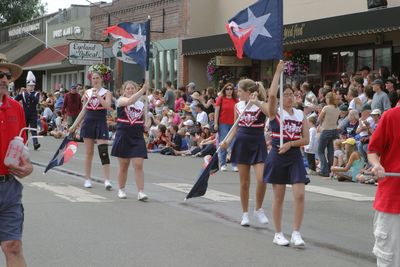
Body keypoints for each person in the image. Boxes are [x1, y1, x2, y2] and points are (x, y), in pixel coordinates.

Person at [263, 61, 309, 247]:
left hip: (294, 155)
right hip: (277, 155)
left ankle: (296, 232)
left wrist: (291, 144)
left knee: (299, 195)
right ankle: (278, 233)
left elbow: (306, 139)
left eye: (292, 94)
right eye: (287, 95)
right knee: (279, 196)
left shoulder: (300, 114)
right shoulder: (275, 113)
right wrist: (277, 72)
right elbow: (272, 94)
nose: (290, 97)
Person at [220, 78, 269, 227]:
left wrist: (257, 103)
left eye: (239, 90)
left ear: (248, 92)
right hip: (242, 143)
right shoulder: (238, 106)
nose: (237, 93)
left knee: (262, 179)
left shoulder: (261, 104)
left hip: (258, 142)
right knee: (244, 183)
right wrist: (227, 141)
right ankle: (245, 214)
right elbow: (235, 126)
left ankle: (258, 209)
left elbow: (270, 113)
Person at [0, 53, 33, 267]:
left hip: (9, 187)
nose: (4, 79)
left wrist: (27, 166)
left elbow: (22, 148)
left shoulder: (16, 108)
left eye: (7, 75)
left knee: (13, 246)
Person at [367, 105, 400, 267]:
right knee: (390, 260)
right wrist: (377, 165)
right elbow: (373, 150)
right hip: (392, 202)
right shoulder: (391, 116)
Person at [70, 67, 112, 190]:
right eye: (93, 78)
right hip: (88, 121)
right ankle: (87, 179)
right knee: (89, 153)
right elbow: (83, 111)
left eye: (97, 78)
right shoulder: (87, 92)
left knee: (103, 151)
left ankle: (107, 180)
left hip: (101, 121)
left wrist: (98, 96)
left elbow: (108, 106)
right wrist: (74, 125)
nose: (95, 80)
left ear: (101, 79)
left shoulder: (106, 92)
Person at [111, 81, 149, 200]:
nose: (130, 90)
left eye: (133, 88)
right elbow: (130, 101)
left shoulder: (142, 104)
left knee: (138, 164)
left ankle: (141, 192)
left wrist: (147, 124)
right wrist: (143, 90)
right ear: (124, 90)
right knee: (124, 165)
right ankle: (121, 189)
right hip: (124, 135)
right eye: (128, 88)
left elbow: (147, 119)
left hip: (137, 136)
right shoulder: (121, 100)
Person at [214, 83, 239, 172]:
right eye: (227, 89)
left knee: (234, 144)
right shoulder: (220, 99)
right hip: (223, 123)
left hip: (233, 124)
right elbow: (216, 112)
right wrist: (216, 123)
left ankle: (234, 164)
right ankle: (223, 163)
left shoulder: (236, 100)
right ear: (224, 90)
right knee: (223, 143)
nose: (229, 91)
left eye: (231, 89)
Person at [14, 70, 41, 150]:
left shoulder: (36, 93)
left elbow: (36, 101)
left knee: (33, 129)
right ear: (27, 85)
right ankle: (25, 143)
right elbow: (15, 100)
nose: (31, 87)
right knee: (25, 129)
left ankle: (35, 143)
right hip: (25, 113)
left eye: (32, 85)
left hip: (33, 114)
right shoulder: (23, 94)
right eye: (29, 85)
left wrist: (29, 94)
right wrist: (20, 93)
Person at [317, 92, 340, 177]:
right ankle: (331, 169)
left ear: (328, 99)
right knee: (331, 151)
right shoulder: (337, 109)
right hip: (334, 130)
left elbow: (319, 118)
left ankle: (324, 170)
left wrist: (320, 124)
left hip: (326, 130)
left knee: (320, 151)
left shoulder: (326, 108)